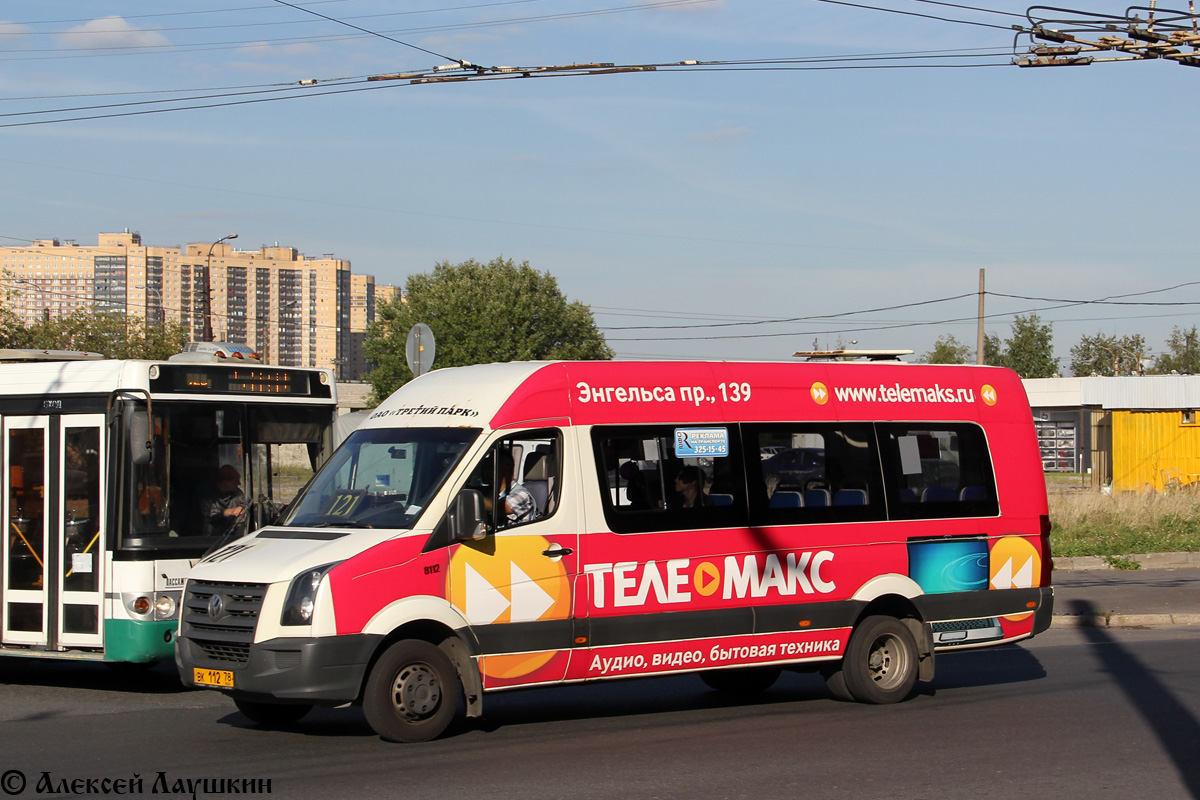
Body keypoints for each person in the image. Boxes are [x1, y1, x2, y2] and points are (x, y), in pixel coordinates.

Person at [202, 464, 247, 536]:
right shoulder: (208, 494)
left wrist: (242, 508)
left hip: (231, 535)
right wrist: (231, 511)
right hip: (209, 537)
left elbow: (244, 504)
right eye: (236, 481)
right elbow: (210, 514)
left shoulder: (236, 493)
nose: (239, 483)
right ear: (225, 481)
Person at [499, 449, 537, 525]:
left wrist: (472, 498)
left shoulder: (522, 494)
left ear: (506, 468)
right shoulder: (495, 492)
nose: (483, 471)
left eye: (489, 466)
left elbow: (501, 507)